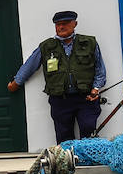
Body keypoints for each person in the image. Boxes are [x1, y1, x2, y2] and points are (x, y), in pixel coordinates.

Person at [8, 10, 106, 143]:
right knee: (64, 136)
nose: (61, 27)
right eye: (58, 24)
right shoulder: (46, 46)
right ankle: (67, 162)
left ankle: (87, 161)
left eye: (65, 23)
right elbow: (30, 65)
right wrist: (16, 83)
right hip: (60, 100)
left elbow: (100, 69)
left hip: (86, 98)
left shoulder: (89, 42)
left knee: (88, 131)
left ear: (74, 24)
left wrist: (96, 88)